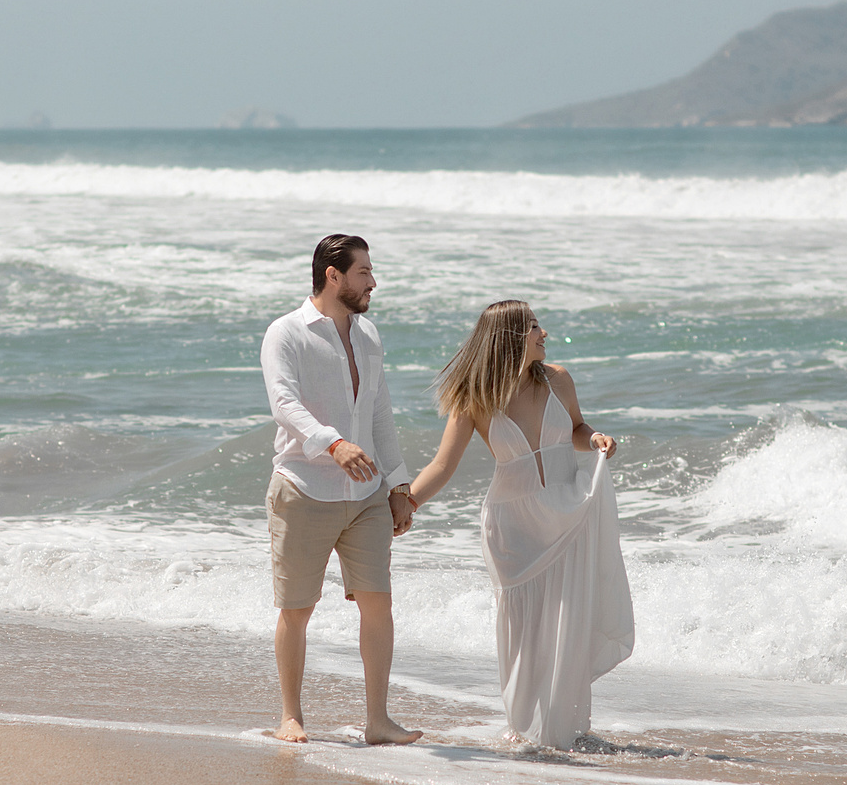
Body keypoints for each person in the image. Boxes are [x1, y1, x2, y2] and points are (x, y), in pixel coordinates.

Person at [405, 300, 634, 749]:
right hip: (513, 527)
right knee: (525, 628)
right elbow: (442, 465)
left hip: (568, 513)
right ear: (511, 337)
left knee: (567, 620)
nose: (543, 333)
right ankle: (521, 729)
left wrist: (595, 438)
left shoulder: (558, 380)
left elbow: (576, 428)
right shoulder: (476, 397)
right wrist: (405, 503)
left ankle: (564, 729)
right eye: (533, 327)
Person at [260, 234, 423, 746]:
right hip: (304, 488)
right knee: (297, 609)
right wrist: (333, 446)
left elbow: (379, 412)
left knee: (379, 603)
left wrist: (399, 484)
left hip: (367, 496)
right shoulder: (285, 333)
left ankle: (378, 720)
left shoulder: (369, 333)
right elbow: (284, 402)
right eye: (363, 273)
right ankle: (292, 717)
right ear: (333, 276)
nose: (373, 282)